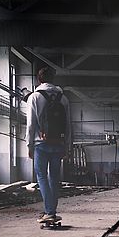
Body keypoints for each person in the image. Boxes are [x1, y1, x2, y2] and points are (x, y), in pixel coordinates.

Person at [26, 66, 72, 223]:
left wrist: (29, 145)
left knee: (41, 176)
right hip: (58, 143)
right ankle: (52, 211)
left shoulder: (35, 97)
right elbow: (68, 125)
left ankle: (49, 211)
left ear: (39, 79)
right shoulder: (63, 99)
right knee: (54, 177)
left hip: (41, 143)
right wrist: (67, 146)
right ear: (53, 79)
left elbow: (31, 125)